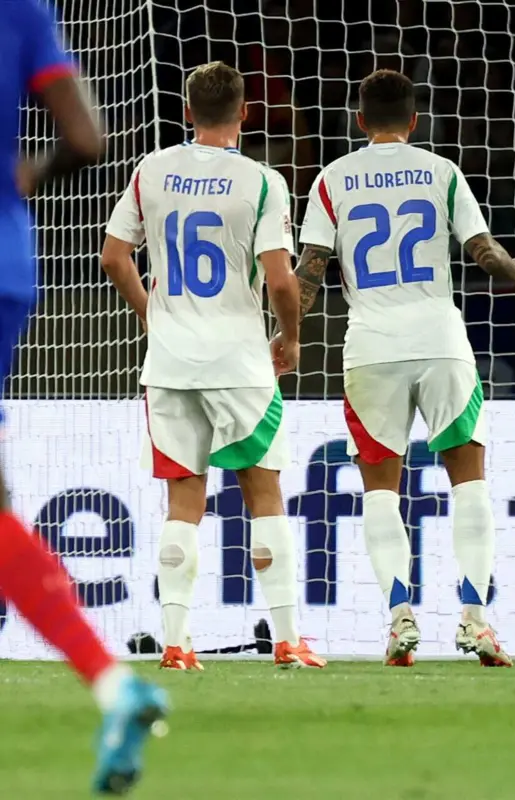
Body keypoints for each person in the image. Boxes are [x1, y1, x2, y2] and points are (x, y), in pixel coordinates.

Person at [292, 69, 515, 667]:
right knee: (470, 481)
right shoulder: (441, 171)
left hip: (371, 347)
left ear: (359, 120)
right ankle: (476, 620)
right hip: (440, 340)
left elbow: (310, 273)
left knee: (381, 489)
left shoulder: (331, 179)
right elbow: (482, 251)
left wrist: (284, 332)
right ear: (414, 120)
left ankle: (399, 617)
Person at [101, 61, 325, 670]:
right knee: (264, 493)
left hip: (171, 364)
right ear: (245, 113)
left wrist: (153, 317)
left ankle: (176, 643)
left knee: (183, 501)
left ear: (186, 111)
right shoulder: (261, 180)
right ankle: (287, 639)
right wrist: (291, 338)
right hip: (239, 360)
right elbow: (281, 280)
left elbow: (114, 257)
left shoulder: (151, 169)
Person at [2, 1, 168, 793]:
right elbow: (86, 138)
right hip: (10, 264)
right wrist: (26, 179)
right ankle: (111, 683)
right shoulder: (23, 11)